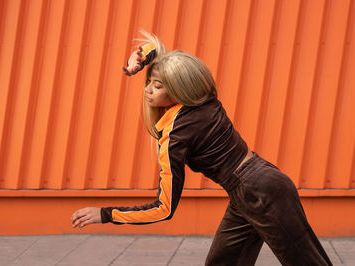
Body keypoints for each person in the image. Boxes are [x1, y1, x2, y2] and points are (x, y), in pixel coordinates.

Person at [71, 32, 332, 266]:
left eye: (158, 85)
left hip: (258, 190)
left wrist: (105, 214)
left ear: (179, 88)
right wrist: (140, 60)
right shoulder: (206, 97)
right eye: (149, 81)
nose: (148, 89)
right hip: (253, 186)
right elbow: (162, 53)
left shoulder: (175, 135)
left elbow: (164, 208)